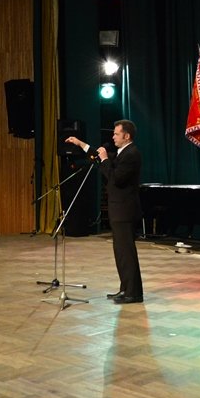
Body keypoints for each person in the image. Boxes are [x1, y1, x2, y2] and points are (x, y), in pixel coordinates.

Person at [65, 119, 144, 304]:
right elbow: (99, 155)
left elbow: (116, 179)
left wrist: (106, 160)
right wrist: (80, 144)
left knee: (126, 253)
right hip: (118, 210)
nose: (113, 137)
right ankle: (125, 289)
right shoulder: (122, 153)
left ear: (127, 136)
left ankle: (133, 293)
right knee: (120, 253)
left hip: (125, 211)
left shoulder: (132, 154)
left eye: (116, 134)